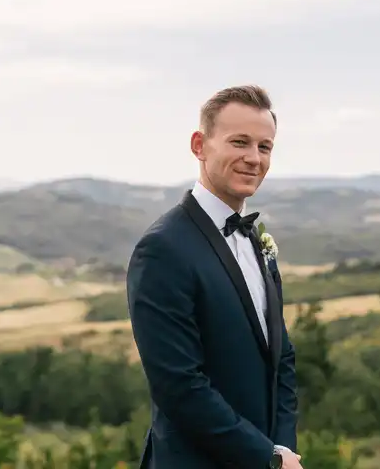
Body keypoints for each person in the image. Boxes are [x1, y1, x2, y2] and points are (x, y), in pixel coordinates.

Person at [126, 85, 301, 468]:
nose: (253, 158)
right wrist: (265, 457)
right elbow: (179, 386)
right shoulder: (163, 249)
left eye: (264, 147)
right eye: (239, 142)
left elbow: (281, 357)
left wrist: (283, 450)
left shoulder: (257, 241)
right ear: (199, 145)